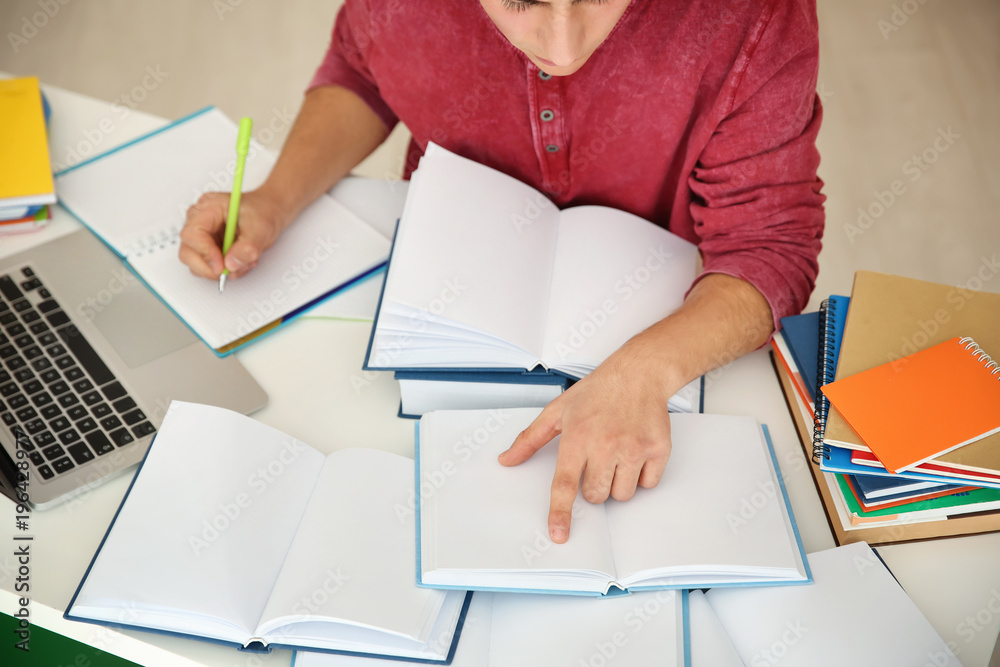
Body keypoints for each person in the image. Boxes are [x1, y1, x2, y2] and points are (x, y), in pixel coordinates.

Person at [179, 0, 825, 544]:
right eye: (522, 1)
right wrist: (274, 197)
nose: (564, 47)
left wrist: (645, 370)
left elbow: (772, 246)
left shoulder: (752, 13)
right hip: (438, 318)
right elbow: (363, 71)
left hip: (672, 336)